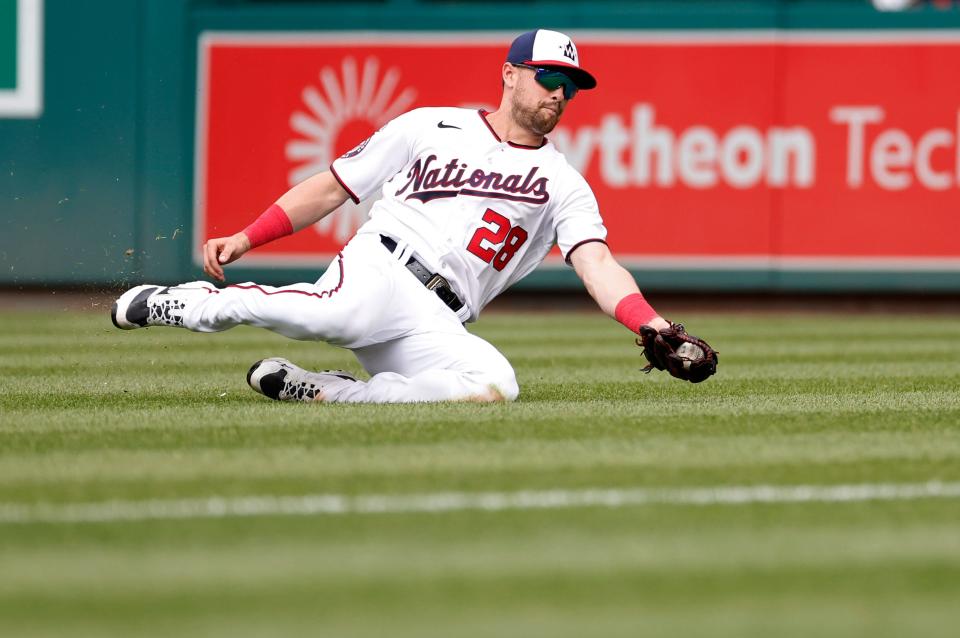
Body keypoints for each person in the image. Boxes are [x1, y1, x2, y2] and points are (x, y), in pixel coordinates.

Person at [112, 29, 708, 403]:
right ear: (510, 74)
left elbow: (596, 263)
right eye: (549, 77)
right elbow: (334, 187)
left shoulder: (563, 183)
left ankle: (333, 393)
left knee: (495, 384)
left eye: (569, 87)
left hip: (438, 320)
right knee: (330, 315)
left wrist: (649, 323)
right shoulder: (431, 125)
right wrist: (249, 235)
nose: (558, 94)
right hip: (386, 267)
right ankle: (191, 304)